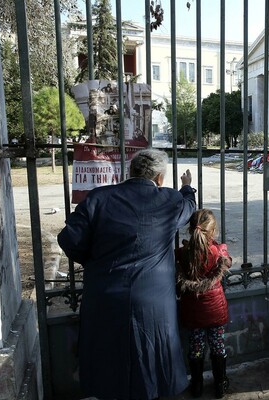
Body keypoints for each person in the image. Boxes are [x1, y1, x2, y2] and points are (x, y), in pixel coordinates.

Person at [57, 148, 197, 400]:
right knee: (153, 358)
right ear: (159, 179)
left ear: (130, 172)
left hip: (105, 295)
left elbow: (69, 239)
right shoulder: (169, 200)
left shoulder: (99, 198)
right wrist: (187, 187)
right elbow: (188, 207)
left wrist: (96, 262)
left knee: (109, 358)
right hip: (153, 300)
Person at [176, 209, 232, 399]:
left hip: (193, 312)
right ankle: (220, 384)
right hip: (215, 311)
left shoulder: (182, 254)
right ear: (213, 231)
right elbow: (228, 261)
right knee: (218, 345)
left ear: (190, 229)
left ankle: (197, 385)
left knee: (196, 347)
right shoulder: (218, 251)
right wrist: (219, 246)